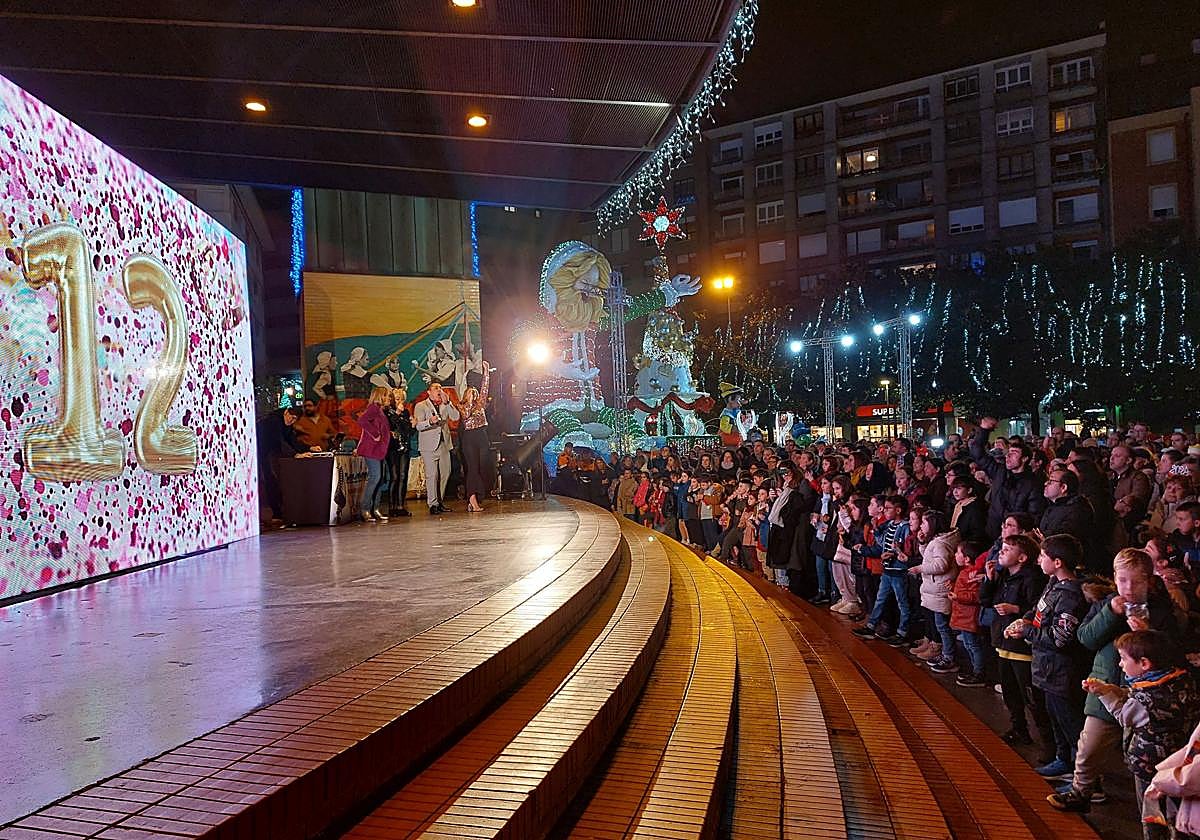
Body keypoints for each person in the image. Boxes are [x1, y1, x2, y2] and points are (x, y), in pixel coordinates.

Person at [1050, 548, 1183, 813]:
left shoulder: (1163, 608)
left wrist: (1149, 635)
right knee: (1088, 746)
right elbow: (1085, 638)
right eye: (1123, 580)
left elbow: (1176, 650)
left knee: (1145, 756)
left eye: (1137, 581)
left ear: (1150, 579)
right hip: (1106, 684)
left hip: (1147, 697)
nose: (1129, 588)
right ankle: (1081, 790)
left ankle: (1152, 810)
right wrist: (1109, 612)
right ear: (1114, 577)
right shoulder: (1107, 603)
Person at [1085, 631, 1199, 839]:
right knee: (1176, 812)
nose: (1120, 664)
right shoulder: (1183, 680)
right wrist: (1117, 690)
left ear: (1144, 663)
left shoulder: (1143, 700)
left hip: (1148, 765)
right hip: (1178, 762)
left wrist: (1104, 693)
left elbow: (1124, 716)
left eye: (1123, 659)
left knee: (1151, 811)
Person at [1005, 534, 1089, 780]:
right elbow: (1039, 609)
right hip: (1046, 668)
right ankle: (1063, 761)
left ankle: (1086, 779)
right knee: (1056, 722)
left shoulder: (1070, 595)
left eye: (1043, 556)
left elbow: (1060, 638)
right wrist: (1026, 619)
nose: (1039, 559)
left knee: (1071, 724)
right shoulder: (1053, 584)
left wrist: (1027, 631)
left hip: (1061, 671)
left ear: (1058, 562)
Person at [981, 532, 1053, 754]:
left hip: (1022, 646)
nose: (1001, 551)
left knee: (1030, 696)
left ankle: (1048, 743)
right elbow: (984, 600)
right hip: (1003, 641)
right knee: (1010, 692)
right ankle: (1018, 728)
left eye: (1007, 549)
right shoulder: (1002, 575)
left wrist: (1016, 610)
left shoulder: (1032, 579)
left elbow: (1038, 609)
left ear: (1022, 558)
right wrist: (989, 579)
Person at [852, 495, 914, 645]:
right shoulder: (889, 524)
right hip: (888, 569)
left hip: (898, 570)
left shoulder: (904, 527)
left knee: (902, 602)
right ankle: (872, 625)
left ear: (898, 510)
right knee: (880, 599)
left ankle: (903, 631)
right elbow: (882, 544)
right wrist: (877, 531)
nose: (885, 511)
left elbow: (906, 549)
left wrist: (894, 553)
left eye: (888, 508)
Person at [970, 417, 1046, 538]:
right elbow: (977, 453)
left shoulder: (1033, 484)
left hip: (1014, 537)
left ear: (1025, 459)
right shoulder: (1000, 471)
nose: (1008, 456)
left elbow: (1034, 515)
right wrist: (984, 430)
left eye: (1014, 453)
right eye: (1008, 452)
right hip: (993, 532)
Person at [910, 510, 961, 673]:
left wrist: (920, 568)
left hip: (939, 590)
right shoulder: (937, 541)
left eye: (924, 522)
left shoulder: (940, 543)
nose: (921, 525)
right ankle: (937, 648)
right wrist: (923, 543)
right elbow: (929, 557)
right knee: (936, 622)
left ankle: (947, 655)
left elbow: (940, 565)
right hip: (934, 589)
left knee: (942, 626)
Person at [414, 382, 460, 515]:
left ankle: (439, 501)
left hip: (444, 444)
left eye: (440, 388)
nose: (439, 390)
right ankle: (432, 503)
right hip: (429, 445)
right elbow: (418, 426)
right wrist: (430, 421)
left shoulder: (444, 405)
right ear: (429, 392)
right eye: (435, 388)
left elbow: (456, 417)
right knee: (432, 475)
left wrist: (448, 403)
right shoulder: (421, 406)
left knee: (446, 473)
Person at [949, 539, 989, 687]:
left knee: (973, 645)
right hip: (963, 616)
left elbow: (975, 596)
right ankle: (974, 670)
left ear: (966, 559)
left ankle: (979, 673)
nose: (955, 555)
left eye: (958, 552)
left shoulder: (973, 574)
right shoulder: (966, 572)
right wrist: (954, 587)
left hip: (969, 617)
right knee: (969, 644)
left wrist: (957, 596)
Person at [255, 405, 302, 523]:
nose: (291, 421)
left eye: (294, 419)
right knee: (270, 481)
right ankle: (275, 513)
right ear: (286, 412)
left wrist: (308, 448)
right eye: (291, 417)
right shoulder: (273, 421)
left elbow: (292, 441)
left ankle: (278, 513)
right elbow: (280, 440)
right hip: (259, 453)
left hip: (267, 454)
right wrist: (294, 454)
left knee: (271, 481)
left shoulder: (285, 425)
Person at [765, 462, 806, 588]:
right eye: (781, 473)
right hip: (779, 528)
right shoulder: (782, 486)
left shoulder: (798, 487)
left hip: (792, 528)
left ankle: (786, 585)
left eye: (787, 472)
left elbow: (795, 509)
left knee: (788, 559)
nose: (785, 475)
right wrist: (774, 500)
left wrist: (783, 496)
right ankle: (781, 582)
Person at [355, 387, 393, 522]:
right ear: (381, 396)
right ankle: (365, 509)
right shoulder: (374, 408)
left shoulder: (380, 411)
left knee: (379, 479)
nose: (390, 399)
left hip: (378, 450)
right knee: (375, 477)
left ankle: (375, 508)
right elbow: (362, 421)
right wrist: (375, 434)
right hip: (371, 450)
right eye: (387, 396)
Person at [459, 361, 491, 512]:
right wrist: (469, 402)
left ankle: (477, 494)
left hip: (481, 436)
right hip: (469, 438)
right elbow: (465, 417)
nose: (475, 394)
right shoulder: (463, 406)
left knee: (481, 467)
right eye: (471, 392)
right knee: (472, 468)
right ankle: (472, 499)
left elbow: (485, 388)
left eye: (475, 392)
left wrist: (486, 373)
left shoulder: (480, 405)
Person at [385, 388, 414, 517]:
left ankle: (401, 505)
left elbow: (409, 431)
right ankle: (392, 507)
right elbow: (390, 428)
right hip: (392, 448)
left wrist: (412, 424)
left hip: (405, 446)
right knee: (395, 477)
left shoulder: (406, 412)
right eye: (398, 399)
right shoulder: (388, 413)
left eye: (402, 399)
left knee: (403, 476)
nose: (401, 402)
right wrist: (397, 413)